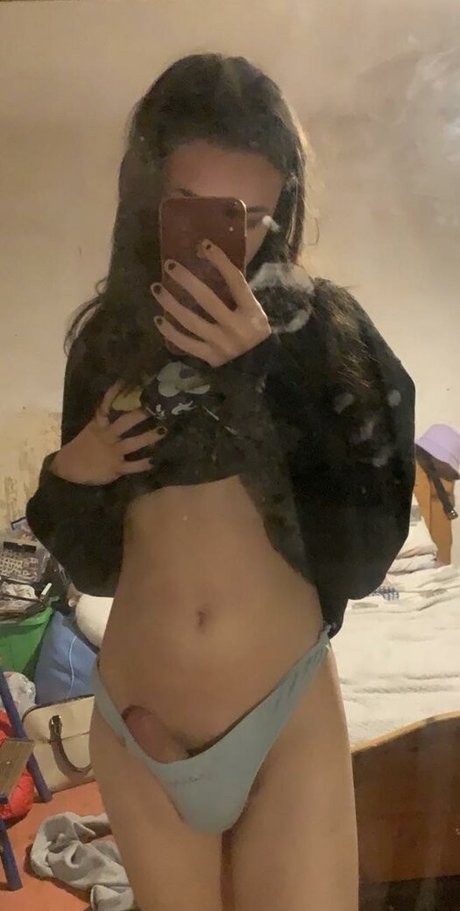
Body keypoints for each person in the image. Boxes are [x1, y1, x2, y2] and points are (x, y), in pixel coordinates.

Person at [26, 53, 415, 911]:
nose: (217, 242)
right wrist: (69, 477)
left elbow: (362, 551)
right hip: (141, 718)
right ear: (149, 202)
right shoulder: (108, 342)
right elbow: (95, 569)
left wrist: (266, 372)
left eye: (246, 217)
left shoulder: (327, 333)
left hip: (284, 721)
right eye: (191, 208)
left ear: (281, 211)